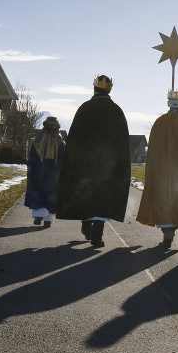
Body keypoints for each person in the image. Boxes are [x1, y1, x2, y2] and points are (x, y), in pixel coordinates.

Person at [57, 75, 131, 248]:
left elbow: (74, 139)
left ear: (94, 88)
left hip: (85, 164)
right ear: (110, 89)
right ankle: (97, 235)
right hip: (107, 167)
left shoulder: (84, 108)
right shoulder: (116, 111)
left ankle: (86, 225)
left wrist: (72, 162)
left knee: (85, 195)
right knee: (102, 199)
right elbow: (122, 144)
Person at [136, 89, 178, 248]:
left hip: (162, 170)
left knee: (163, 199)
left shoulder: (159, 122)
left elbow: (153, 149)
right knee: (176, 199)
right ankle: (171, 230)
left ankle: (167, 232)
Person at [24, 116, 65, 227]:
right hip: (53, 173)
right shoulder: (60, 142)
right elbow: (62, 160)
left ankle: (38, 215)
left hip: (38, 170)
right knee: (51, 195)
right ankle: (48, 220)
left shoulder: (37, 140)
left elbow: (31, 157)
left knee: (38, 191)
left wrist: (31, 170)